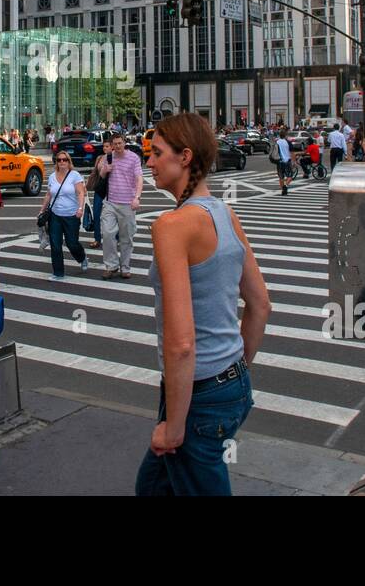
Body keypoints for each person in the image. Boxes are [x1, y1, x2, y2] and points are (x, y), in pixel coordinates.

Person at [137, 113, 271, 496]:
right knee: (152, 487)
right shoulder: (225, 213)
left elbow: (181, 344)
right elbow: (260, 305)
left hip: (198, 395)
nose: (149, 162)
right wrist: (237, 369)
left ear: (185, 157)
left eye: (157, 153)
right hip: (233, 383)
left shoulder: (171, 226)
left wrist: (175, 426)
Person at [97, 133, 142, 279]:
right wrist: (105, 169)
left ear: (125, 142)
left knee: (126, 238)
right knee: (108, 233)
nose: (117, 147)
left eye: (119, 143)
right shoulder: (108, 157)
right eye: (115, 144)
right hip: (110, 202)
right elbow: (101, 175)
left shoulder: (133, 158)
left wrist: (137, 197)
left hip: (127, 203)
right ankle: (111, 265)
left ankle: (125, 267)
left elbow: (139, 178)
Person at [39, 151, 90, 280]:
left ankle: (82, 257)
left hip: (71, 215)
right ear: (56, 162)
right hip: (55, 215)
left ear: (69, 161)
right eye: (59, 160)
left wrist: (80, 208)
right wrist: (42, 210)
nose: (62, 162)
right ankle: (58, 273)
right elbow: (49, 195)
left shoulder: (75, 175)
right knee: (55, 244)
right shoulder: (52, 177)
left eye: (64, 160)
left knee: (71, 243)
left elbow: (80, 193)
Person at [87, 135, 114, 249]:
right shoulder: (100, 158)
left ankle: (115, 237)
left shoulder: (116, 158)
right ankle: (97, 239)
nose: (105, 148)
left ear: (112, 148)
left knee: (114, 215)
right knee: (96, 214)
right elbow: (95, 173)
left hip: (112, 190)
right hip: (100, 189)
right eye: (104, 146)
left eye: (107, 146)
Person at [274, 127, 293, 195]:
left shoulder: (277, 142)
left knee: (281, 177)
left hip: (279, 161)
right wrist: (294, 161)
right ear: (285, 135)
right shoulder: (288, 142)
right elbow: (291, 152)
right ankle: (286, 185)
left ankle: (283, 190)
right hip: (287, 161)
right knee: (290, 176)